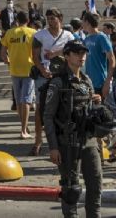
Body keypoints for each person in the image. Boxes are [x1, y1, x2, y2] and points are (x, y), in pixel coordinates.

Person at [43, 40, 103, 218]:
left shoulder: (86, 80)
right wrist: (53, 147)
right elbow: (47, 116)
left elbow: (91, 114)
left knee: (95, 184)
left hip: (89, 141)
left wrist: (96, 102)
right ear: (67, 56)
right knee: (71, 190)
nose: (81, 56)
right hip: (67, 143)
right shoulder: (58, 82)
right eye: (77, 53)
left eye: (83, 53)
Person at [31, 8, 74, 156]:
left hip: (62, 75)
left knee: (64, 106)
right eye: (48, 18)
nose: (50, 21)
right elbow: (35, 56)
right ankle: (38, 140)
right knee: (40, 107)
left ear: (60, 18)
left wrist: (56, 53)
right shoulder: (39, 35)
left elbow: (72, 51)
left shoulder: (68, 35)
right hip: (44, 75)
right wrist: (43, 70)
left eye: (53, 18)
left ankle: (62, 138)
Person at [81, 13, 116, 159]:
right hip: (90, 84)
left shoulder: (102, 37)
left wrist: (107, 82)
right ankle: (101, 151)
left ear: (88, 22)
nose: (82, 23)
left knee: (103, 118)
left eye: (83, 21)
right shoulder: (86, 39)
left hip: (101, 82)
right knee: (94, 118)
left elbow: (112, 60)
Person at [2, 11, 37, 139]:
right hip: (29, 69)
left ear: (17, 20)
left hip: (14, 70)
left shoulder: (10, 33)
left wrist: (6, 60)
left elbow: (3, 51)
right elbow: (37, 51)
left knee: (18, 101)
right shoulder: (33, 33)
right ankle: (24, 130)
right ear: (28, 20)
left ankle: (24, 126)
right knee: (26, 100)